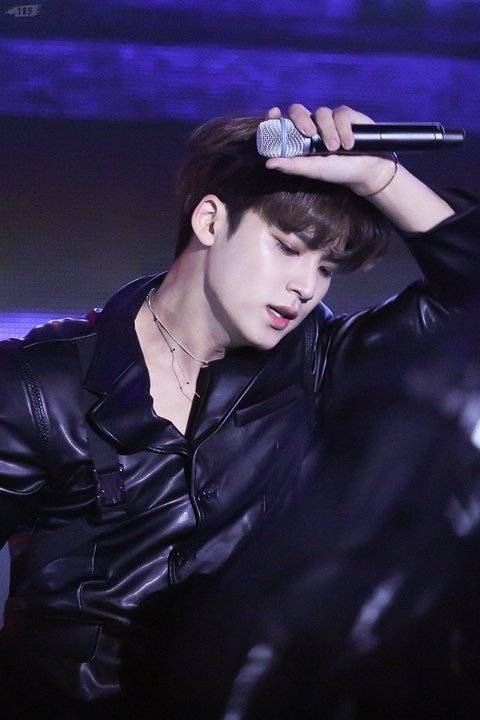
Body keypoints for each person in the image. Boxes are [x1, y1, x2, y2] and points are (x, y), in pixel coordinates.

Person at [0, 102, 478, 718]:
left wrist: (379, 177)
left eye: (326, 268)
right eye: (287, 247)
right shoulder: (40, 383)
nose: (306, 286)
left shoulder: (319, 362)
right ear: (209, 220)